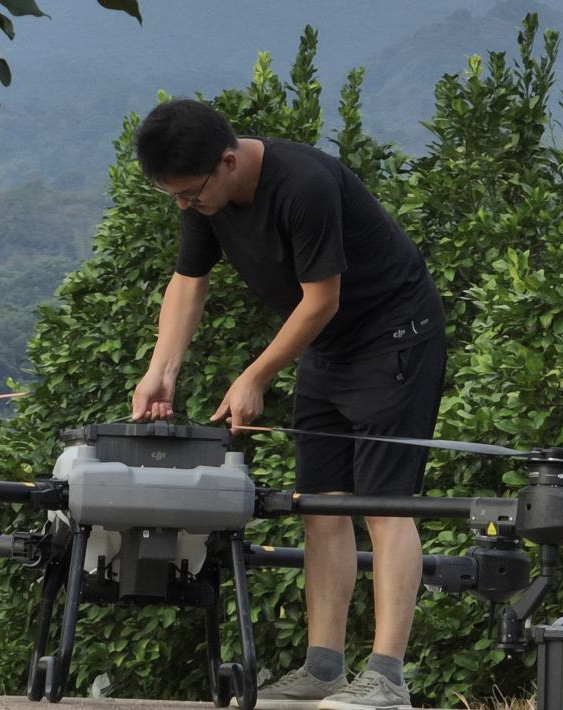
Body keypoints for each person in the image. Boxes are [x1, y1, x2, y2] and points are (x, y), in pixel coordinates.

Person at [130, 99, 447, 710]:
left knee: (383, 505)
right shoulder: (205, 198)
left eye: (189, 193)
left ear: (227, 162)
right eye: (173, 196)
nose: (184, 206)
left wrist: (254, 377)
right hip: (326, 348)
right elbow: (188, 282)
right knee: (320, 505)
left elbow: (321, 299)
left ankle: (386, 679)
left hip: (394, 338)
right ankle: (324, 670)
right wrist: (160, 372)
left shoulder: (304, 184)